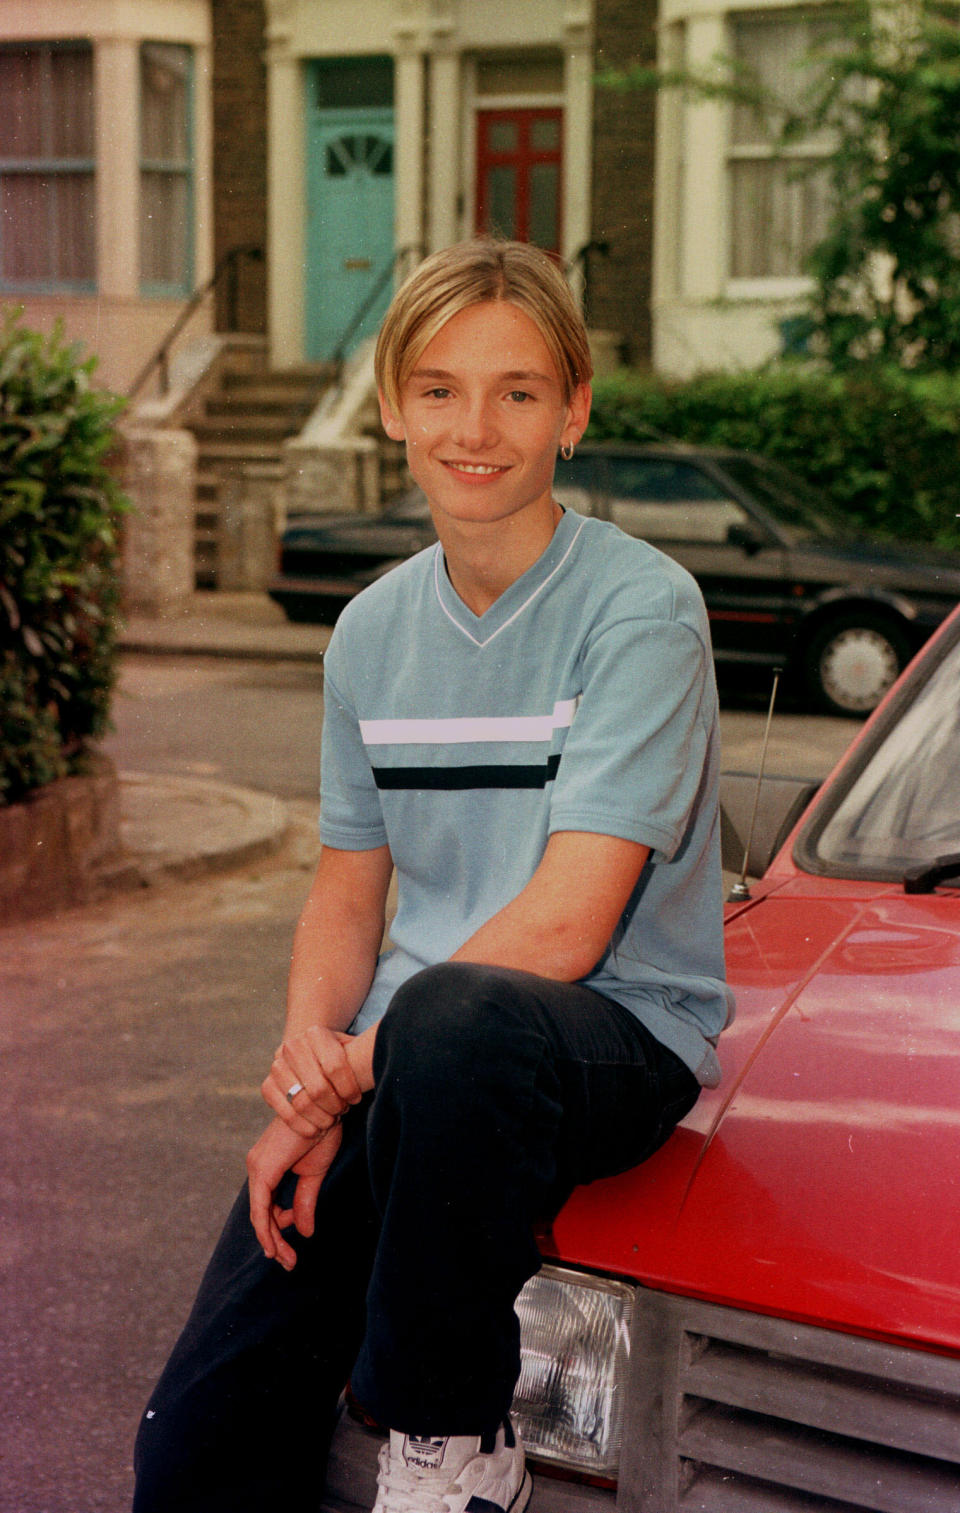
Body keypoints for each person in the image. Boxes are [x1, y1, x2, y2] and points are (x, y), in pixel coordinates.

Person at [132, 238, 733, 1513]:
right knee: (193, 1447)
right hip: (411, 1064)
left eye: (519, 390)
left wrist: (356, 1069)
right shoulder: (370, 631)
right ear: (397, 407)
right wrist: (308, 1068)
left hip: (609, 1037)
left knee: (456, 1019)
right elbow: (349, 892)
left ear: (574, 410)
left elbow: (570, 925)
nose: (478, 427)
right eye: (442, 387)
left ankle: (453, 1442)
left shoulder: (643, 609)